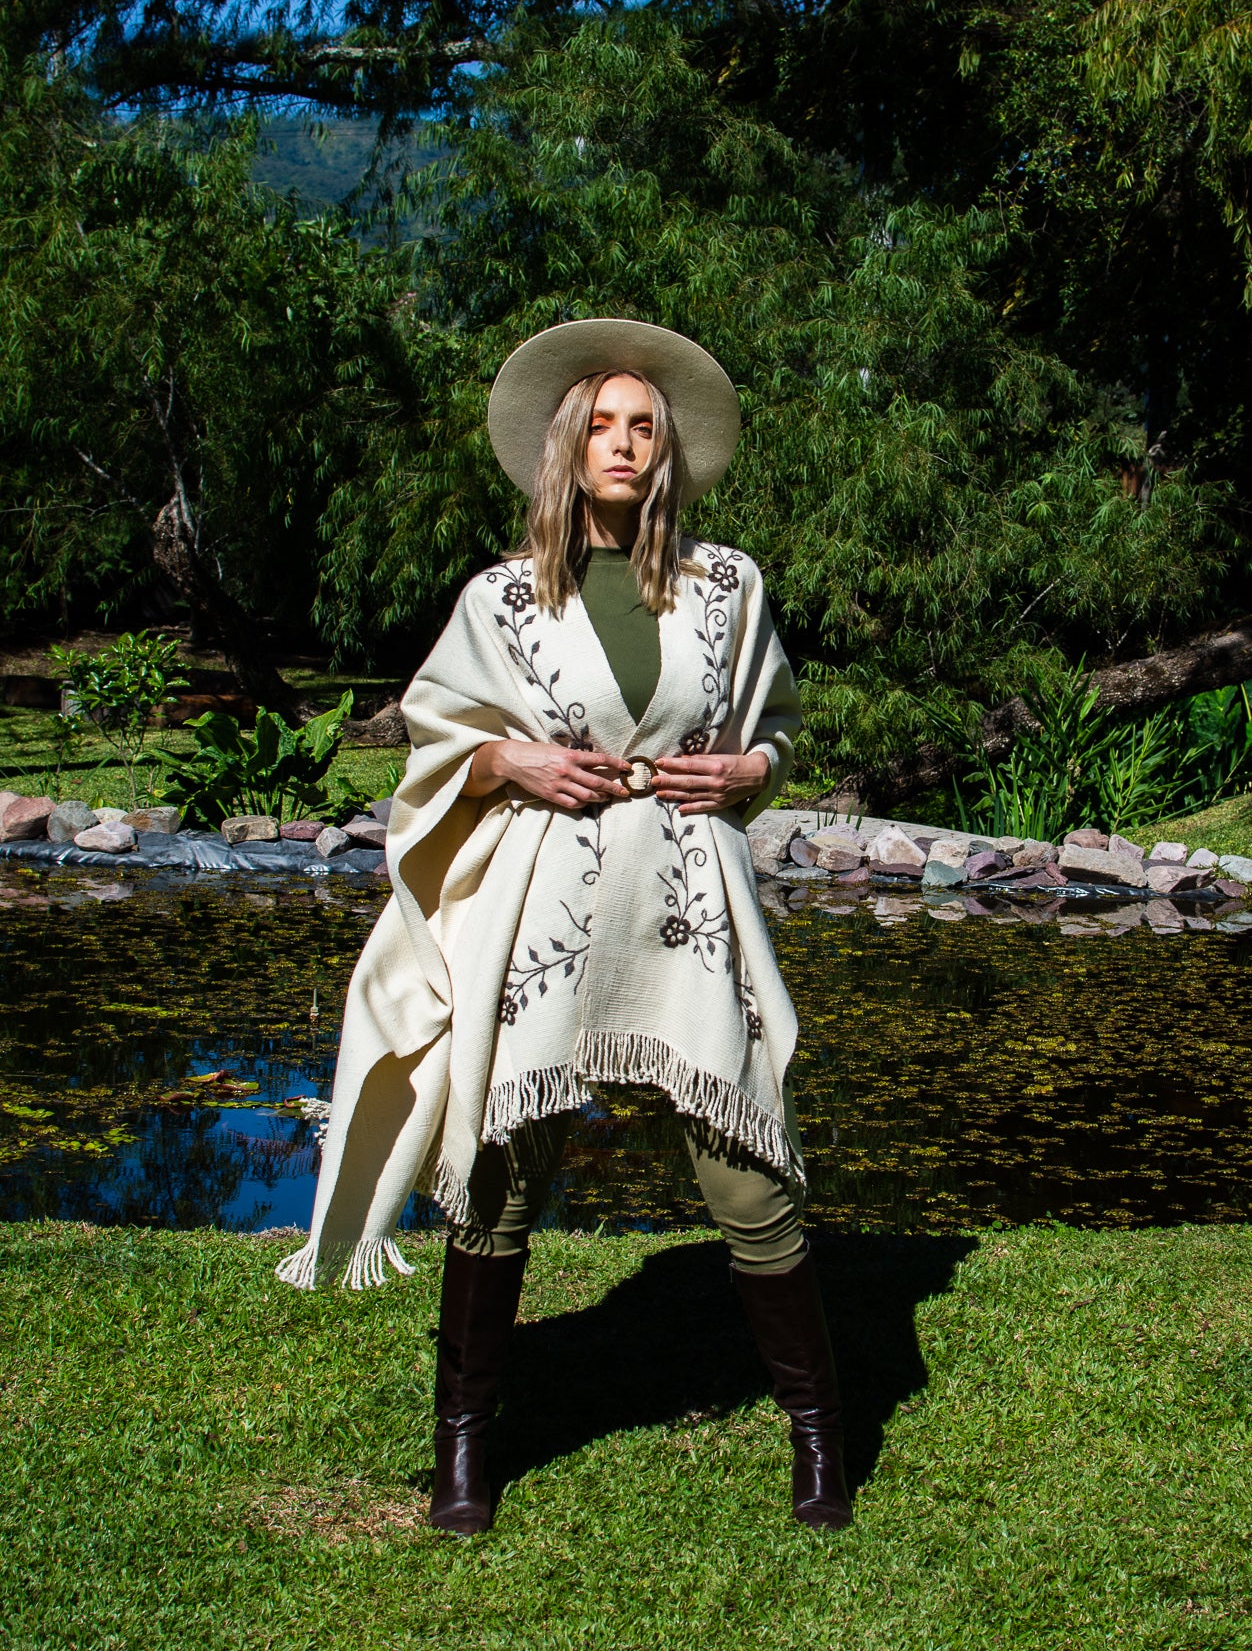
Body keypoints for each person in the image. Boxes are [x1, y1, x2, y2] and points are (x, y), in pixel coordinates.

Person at [278, 318, 852, 1536]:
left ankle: (819, 1442)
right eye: (603, 424)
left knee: (750, 1178)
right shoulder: (501, 599)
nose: (626, 442)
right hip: (546, 911)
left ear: (670, 447)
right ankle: (466, 1459)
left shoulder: (728, 585)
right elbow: (440, 741)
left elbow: (778, 727)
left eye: (645, 425)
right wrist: (508, 758)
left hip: (691, 908)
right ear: (568, 445)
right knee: (498, 1176)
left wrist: (751, 762)